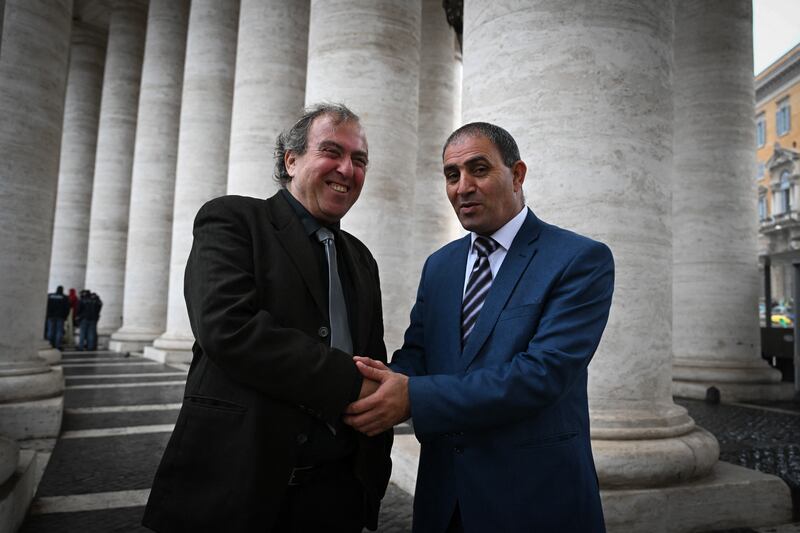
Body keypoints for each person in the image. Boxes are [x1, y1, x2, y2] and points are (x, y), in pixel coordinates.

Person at [344, 122, 614, 532]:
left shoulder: (579, 259)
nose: (463, 187)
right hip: (443, 499)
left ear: (517, 175)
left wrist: (412, 396)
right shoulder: (440, 265)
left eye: (479, 169)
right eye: (452, 175)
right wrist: (379, 382)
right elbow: (418, 354)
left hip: (534, 499)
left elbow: (541, 375)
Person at [143, 103, 392, 533]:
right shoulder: (232, 220)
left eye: (359, 159)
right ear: (291, 160)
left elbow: (372, 354)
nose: (347, 169)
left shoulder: (362, 258)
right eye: (331, 152)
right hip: (235, 491)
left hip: (336, 498)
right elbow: (228, 328)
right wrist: (353, 384)